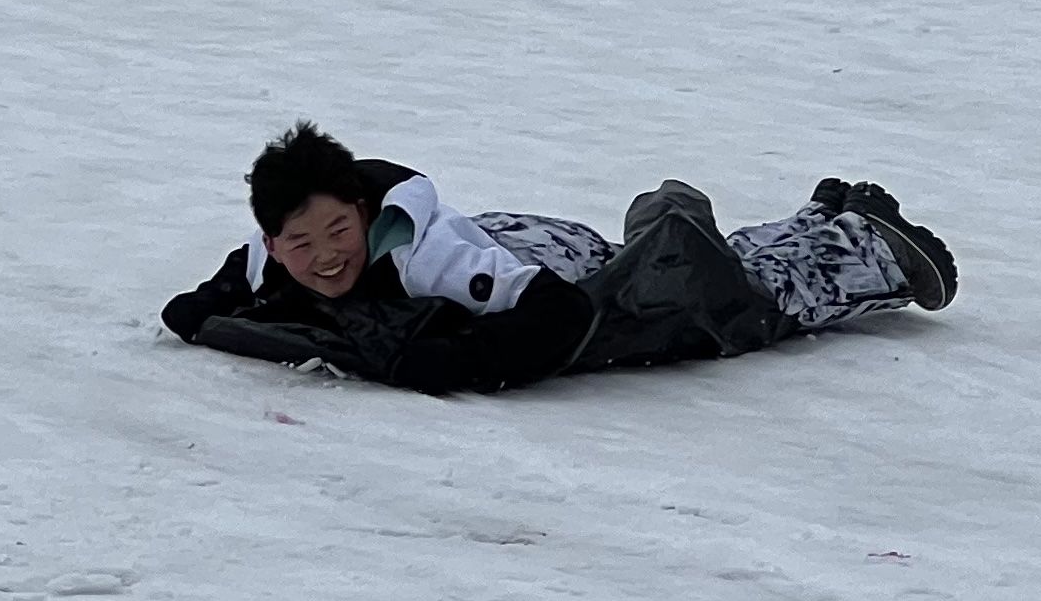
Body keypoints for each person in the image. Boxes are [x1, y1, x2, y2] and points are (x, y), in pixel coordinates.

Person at [159, 122, 955, 397]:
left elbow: (557, 315)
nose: (326, 257)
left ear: (364, 214)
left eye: (339, 233)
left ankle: (868, 241)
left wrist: (459, 360)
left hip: (542, 263)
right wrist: (199, 308)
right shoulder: (277, 257)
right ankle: (789, 216)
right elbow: (238, 279)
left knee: (713, 303)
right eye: (301, 243)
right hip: (501, 234)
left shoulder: (433, 260)